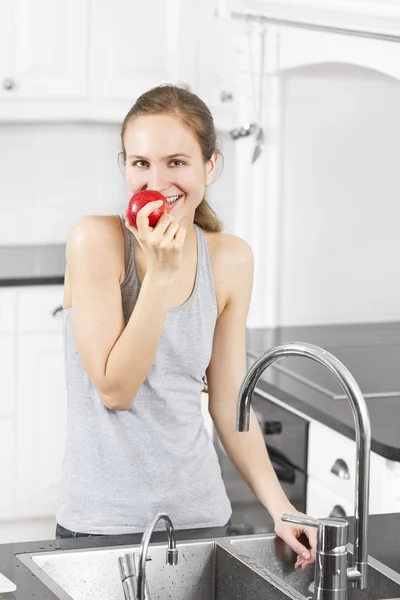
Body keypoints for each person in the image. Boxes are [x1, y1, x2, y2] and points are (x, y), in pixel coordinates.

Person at [55, 84, 316, 569]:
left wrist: (283, 509)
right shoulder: (94, 240)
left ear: (209, 166)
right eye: (140, 164)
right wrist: (163, 274)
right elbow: (116, 390)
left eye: (176, 162)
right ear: (125, 165)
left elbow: (228, 402)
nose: (156, 181)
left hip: (200, 518)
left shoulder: (231, 259)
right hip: (101, 523)